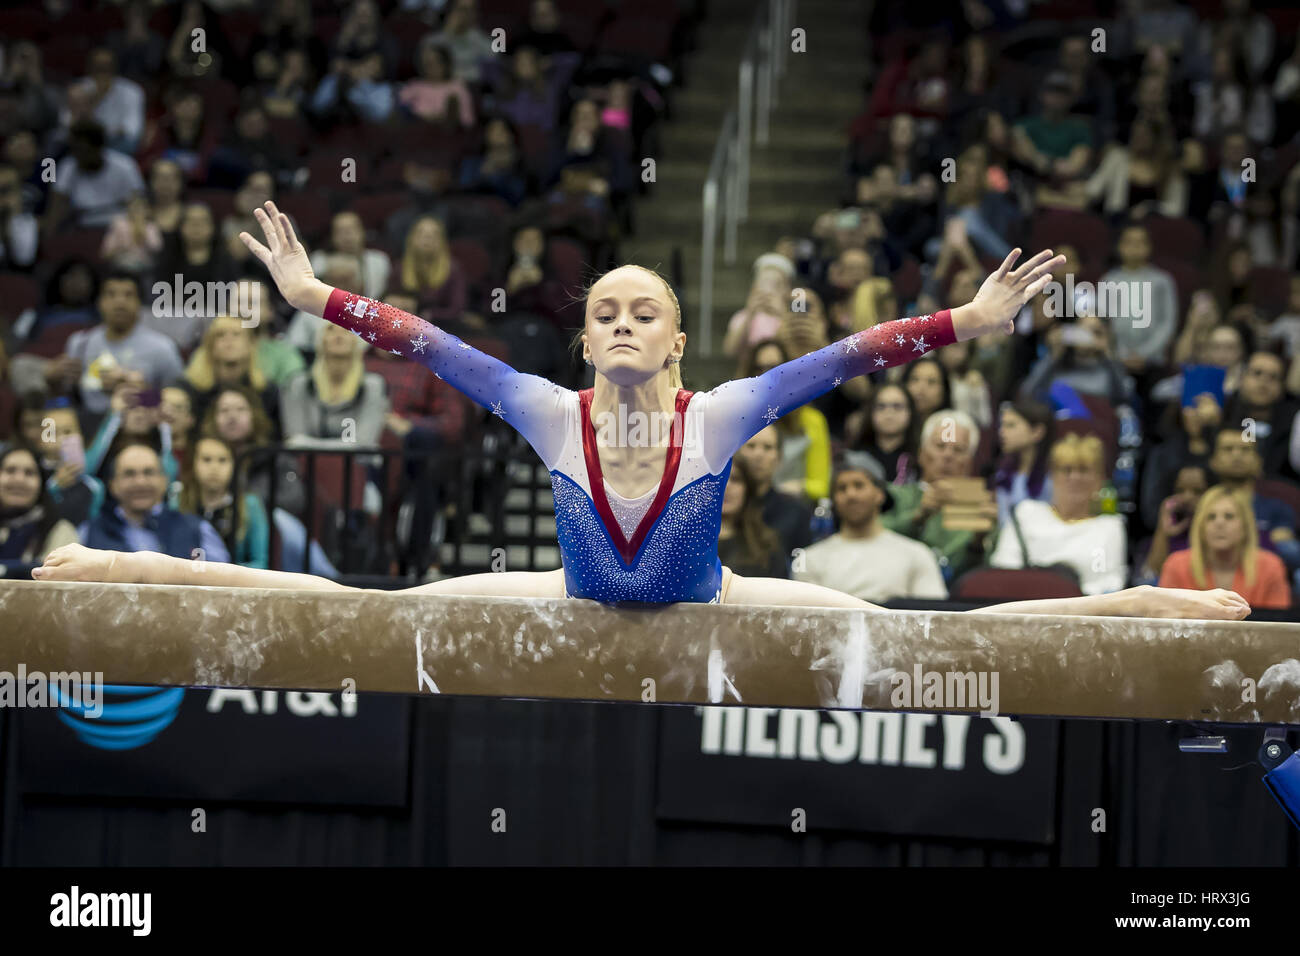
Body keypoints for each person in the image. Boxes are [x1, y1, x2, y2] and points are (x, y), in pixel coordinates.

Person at [36, 203, 1251, 622]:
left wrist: (964, 325)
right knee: (364, 607)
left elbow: (840, 357)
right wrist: (312, 296)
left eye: (642, 312)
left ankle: (1162, 603)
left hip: (714, 603)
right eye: (602, 311)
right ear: (580, 341)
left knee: (937, 633)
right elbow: (430, 342)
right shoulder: (546, 413)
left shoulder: (718, 415)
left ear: (678, 340)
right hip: (568, 603)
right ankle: (99, 566)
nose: (619, 323)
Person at [794, 451, 947, 602]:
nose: (851, 495)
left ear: (879, 494)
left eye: (859, 485)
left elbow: (934, 617)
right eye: (842, 488)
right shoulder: (810, 559)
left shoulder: (917, 555)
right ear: (834, 500)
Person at [988, 434, 1127, 595]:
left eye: (1084, 470)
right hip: (1024, 606)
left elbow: (1110, 583)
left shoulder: (1109, 526)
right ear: (1052, 476)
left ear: (1100, 479)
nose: (1074, 477)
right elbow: (1005, 567)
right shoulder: (1026, 513)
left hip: (1081, 613)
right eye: (1066, 470)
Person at [1158, 485, 1291, 609]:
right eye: (1211, 517)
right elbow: (1164, 623)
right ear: (1201, 527)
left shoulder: (1270, 566)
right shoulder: (1175, 565)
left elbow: (1278, 626)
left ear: (1245, 527)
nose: (1219, 523)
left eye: (1229, 516)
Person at [0, 441, 80, 575]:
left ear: (42, 483)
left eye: (29, 473)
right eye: (10, 470)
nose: (19, 479)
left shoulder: (60, 531)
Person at [716, 455, 788, 578]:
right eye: (719, 478)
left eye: (735, 479)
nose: (727, 486)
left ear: (748, 489)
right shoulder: (685, 542)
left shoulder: (766, 544)